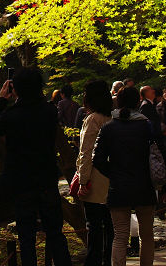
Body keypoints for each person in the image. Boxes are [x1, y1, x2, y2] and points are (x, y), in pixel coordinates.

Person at [0, 67, 73, 266]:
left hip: (22, 182)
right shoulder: (50, 111)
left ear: (15, 89)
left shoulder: (11, 115)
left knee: (27, 238)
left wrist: (2, 100)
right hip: (46, 180)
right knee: (55, 234)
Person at [93, 86, 159, 266]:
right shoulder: (146, 126)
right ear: (138, 102)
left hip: (119, 187)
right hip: (144, 185)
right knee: (147, 235)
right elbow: (158, 155)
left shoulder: (108, 128)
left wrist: (113, 172)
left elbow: (97, 159)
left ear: (118, 102)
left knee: (120, 235)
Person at [74, 81, 115, 266]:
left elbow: (86, 152)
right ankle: (109, 260)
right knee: (111, 225)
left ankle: (93, 262)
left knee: (94, 226)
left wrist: (83, 181)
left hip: (95, 179)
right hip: (113, 178)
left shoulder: (93, 120)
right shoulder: (113, 118)